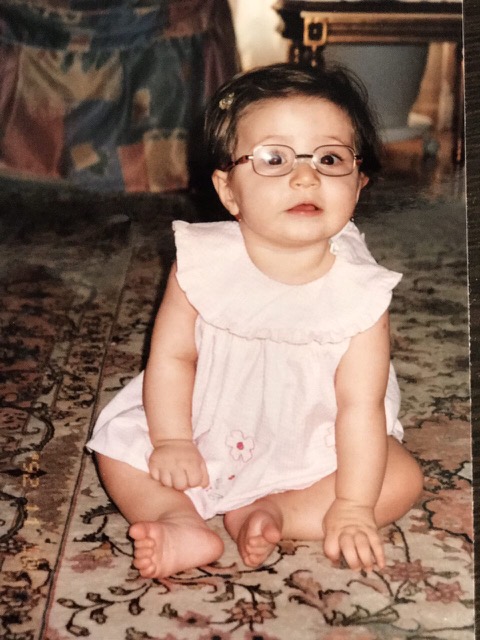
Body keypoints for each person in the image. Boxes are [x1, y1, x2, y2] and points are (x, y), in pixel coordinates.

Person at [86, 63, 424, 579]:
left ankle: (275, 511)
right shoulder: (201, 264)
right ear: (228, 191)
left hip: (313, 437)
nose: (305, 175)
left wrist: (354, 505)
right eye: (274, 158)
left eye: (330, 158)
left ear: (358, 183)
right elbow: (173, 357)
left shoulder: (361, 291)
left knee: (399, 478)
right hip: (206, 420)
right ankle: (178, 520)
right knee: (119, 447)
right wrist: (173, 440)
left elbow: (360, 405)